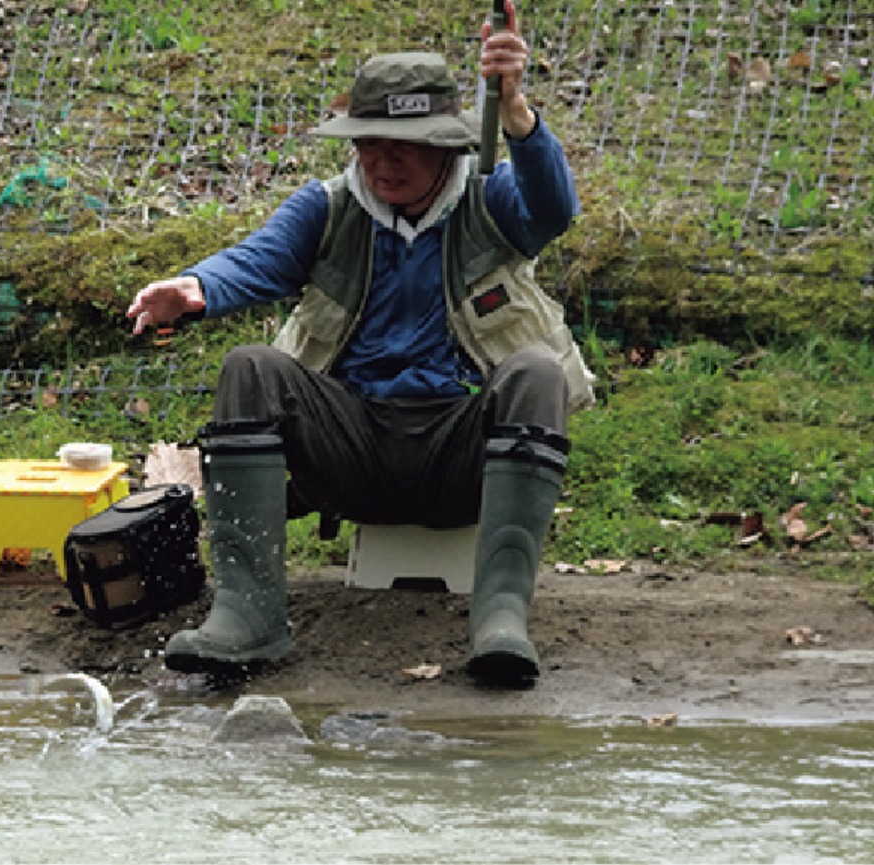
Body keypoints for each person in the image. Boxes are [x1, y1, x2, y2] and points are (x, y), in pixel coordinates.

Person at [126, 0, 595, 689]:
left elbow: (553, 208)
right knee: (250, 369)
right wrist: (196, 287)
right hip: (350, 449)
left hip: (462, 453)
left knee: (534, 373)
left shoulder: (492, 202)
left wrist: (518, 110)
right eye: (367, 143)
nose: (382, 161)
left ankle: (499, 617)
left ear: (445, 144)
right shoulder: (327, 206)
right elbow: (257, 260)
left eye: (401, 144)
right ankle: (249, 613)